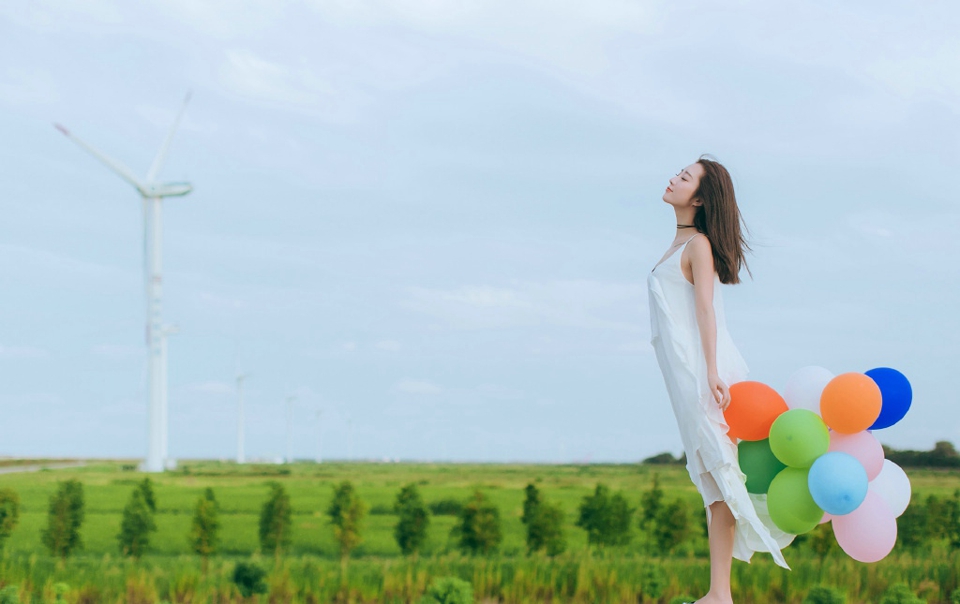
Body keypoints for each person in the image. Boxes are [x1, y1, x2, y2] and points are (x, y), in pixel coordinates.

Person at [647, 156, 793, 604]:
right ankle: (718, 592)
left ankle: (720, 593)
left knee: (721, 477)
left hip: (701, 375)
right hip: (685, 377)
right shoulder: (680, 246)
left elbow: (706, 310)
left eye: (685, 177)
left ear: (700, 199)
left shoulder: (699, 247)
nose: (673, 178)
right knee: (712, 484)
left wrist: (711, 370)